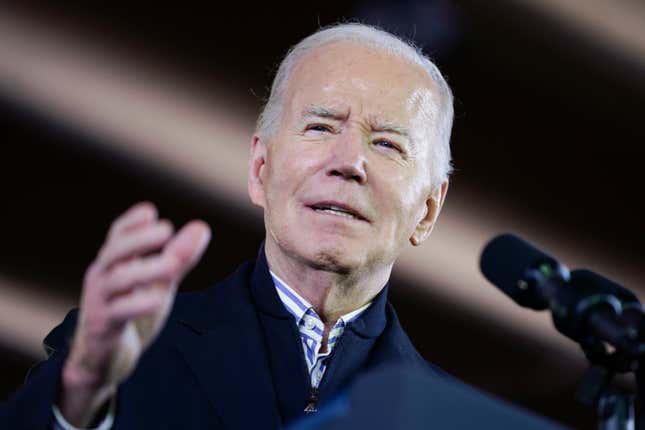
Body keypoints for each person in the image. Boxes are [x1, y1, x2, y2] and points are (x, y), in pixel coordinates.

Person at [3, 22, 453, 429]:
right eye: (320, 127)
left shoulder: (454, 418)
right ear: (260, 168)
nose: (349, 161)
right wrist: (81, 393)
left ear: (428, 210)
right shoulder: (116, 359)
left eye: (388, 144)